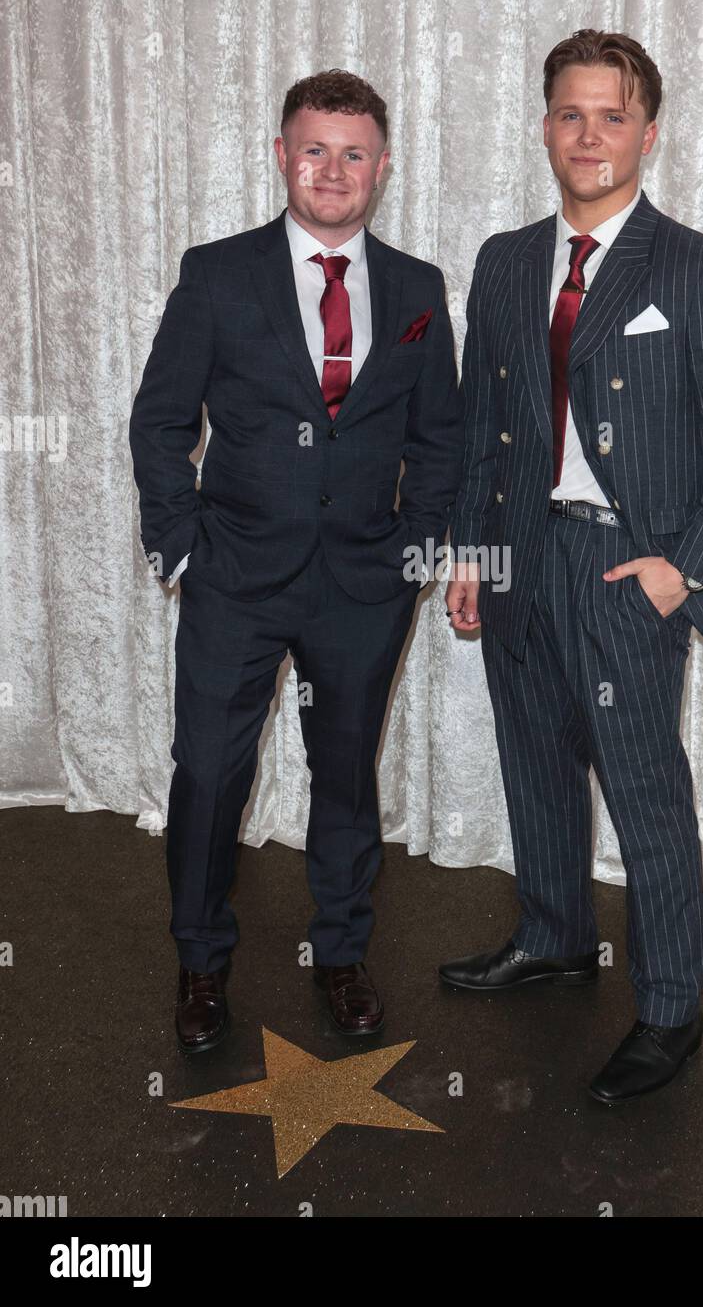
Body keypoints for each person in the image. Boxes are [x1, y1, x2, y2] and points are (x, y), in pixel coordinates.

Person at [442, 30, 703, 1104]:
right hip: (520, 556)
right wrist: (468, 547)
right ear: (544, 124)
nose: (587, 136)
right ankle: (552, 932)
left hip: (620, 568)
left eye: (610, 115)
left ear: (647, 129)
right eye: (569, 114)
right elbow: (482, 424)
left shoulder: (697, 264)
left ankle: (671, 1008)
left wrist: (679, 570)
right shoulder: (504, 258)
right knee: (533, 760)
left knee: (644, 790)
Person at [130, 69, 463, 1051]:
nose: (332, 170)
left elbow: (438, 437)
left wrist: (417, 547)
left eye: (353, 152)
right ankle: (200, 961)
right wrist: (182, 542)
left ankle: (344, 951)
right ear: (282, 154)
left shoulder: (415, 289)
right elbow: (158, 423)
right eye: (314, 149)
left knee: (346, 774)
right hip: (234, 573)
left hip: (364, 584)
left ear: (382, 166)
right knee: (208, 775)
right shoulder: (217, 274)